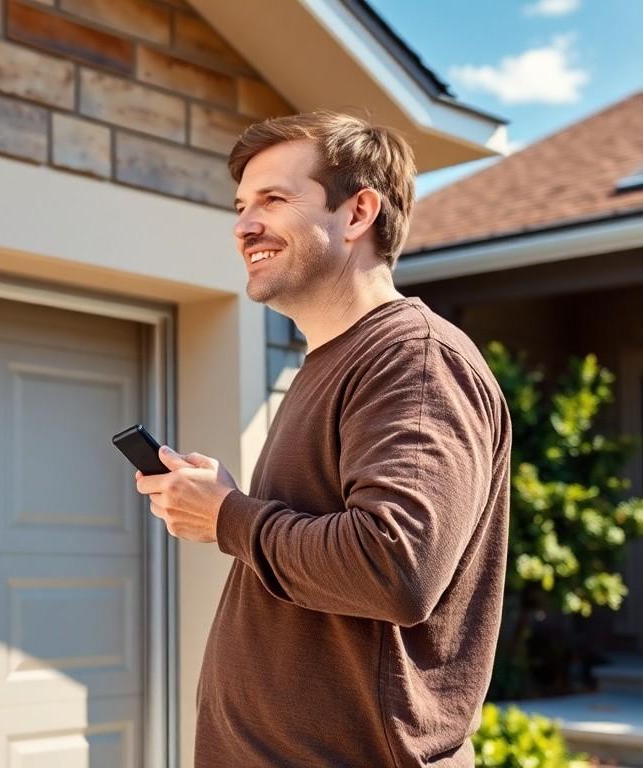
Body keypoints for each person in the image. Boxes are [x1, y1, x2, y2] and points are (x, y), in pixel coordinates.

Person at [135, 112, 511, 767]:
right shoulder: (333, 363)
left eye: (274, 200)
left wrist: (228, 516)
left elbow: (396, 566)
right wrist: (226, 508)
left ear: (359, 211)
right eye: (241, 206)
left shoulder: (412, 359)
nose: (244, 225)